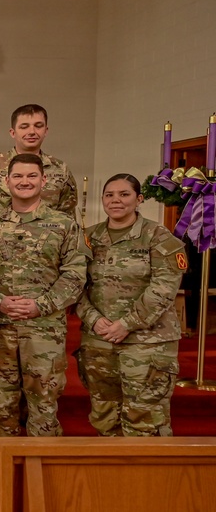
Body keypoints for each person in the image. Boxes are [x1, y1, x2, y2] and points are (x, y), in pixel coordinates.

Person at [0, 154, 88, 476]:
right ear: (6, 181)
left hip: (44, 328)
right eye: (18, 176)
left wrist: (43, 303)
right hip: (1, 328)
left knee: (43, 397)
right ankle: (1, 456)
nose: (24, 181)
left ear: (44, 181)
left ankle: (43, 459)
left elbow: (75, 273)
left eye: (31, 176)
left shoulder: (64, 224)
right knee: (1, 398)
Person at [76, 174, 186, 436]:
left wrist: (128, 324)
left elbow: (164, 288)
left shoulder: (159, 237)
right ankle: (110, 474)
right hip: (99, 340)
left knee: (145, 417)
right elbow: (74, 284)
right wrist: (92, 319)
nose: (116, 200)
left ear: (138, 199)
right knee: (104, 414)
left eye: (124, 194)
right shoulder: (88, 238)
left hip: (147, 341)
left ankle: (148, 476)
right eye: (109, 194)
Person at [0, 104, 78, 218]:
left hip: (49, 233)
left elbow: (68, 217)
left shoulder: (60, 168)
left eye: (38, 126)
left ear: (46, 131)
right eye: (24, 127)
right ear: (12, 132)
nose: (32, 132)